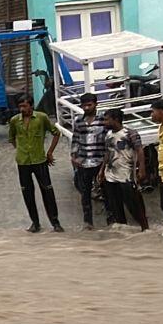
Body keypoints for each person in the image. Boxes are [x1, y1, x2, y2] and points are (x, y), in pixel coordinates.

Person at [7, 96, 62, 233]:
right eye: (20, 107)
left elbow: (56, 133)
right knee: (27, 193)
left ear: (31, 106)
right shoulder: (15, 121)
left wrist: (49, 152)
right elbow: (11, 138)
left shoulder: (41, 118)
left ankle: (55, 223)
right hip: (23, 162)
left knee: (47, 191)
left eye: (25, 106)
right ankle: (35, 223)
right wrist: (21, 149)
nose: (22, 109)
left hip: (40, 160)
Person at [99, 109, 148, 230]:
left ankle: (145, 229)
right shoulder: (108, 135)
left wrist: (142, 168)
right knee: (116, 207)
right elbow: (107, 153)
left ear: (115, 119)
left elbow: (139, 150)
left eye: (107, 119)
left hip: (126, 176)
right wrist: (101, 170)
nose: (104, 122)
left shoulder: (130, 133)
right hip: (110, 176)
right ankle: (123, 233)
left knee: (134, 206)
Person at [71, 93, 106, 229]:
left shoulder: (103, 119)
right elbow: (75, 138)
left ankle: (111, 219)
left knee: (107, 191)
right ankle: (88, 222)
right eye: (84, 105)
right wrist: (73, 156)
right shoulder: (79, 121)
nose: (86, 108)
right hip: (84, 161)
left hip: (100, 161)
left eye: (89, 105)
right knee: (85, 193)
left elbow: (109, 138)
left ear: (96, 104)